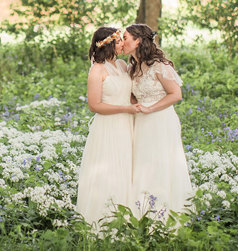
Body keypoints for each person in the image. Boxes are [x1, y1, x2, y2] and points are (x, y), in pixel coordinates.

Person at [122, 23, 194, 221]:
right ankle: (143, 211)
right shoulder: (132, 68)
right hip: (141, 121)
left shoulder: (159, 66)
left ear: (138, 41)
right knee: (143, 164)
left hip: (161, 119)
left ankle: (165, 214)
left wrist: (150, 109)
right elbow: (135, 97)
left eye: (125, 38)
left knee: (160, 163)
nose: (122, 42)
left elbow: (176, 94)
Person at [76, 26, 141, 229]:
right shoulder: (97, 70)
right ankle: (103, 221)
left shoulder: (122, 65)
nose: (123, 43)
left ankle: (126, 217)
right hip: (108, 126)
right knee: (110, 168)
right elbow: (94, 105)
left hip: (127, 124)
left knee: (126, 168)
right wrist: (125, 108)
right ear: (109, 44)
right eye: (119, 40)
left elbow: (130, 92)